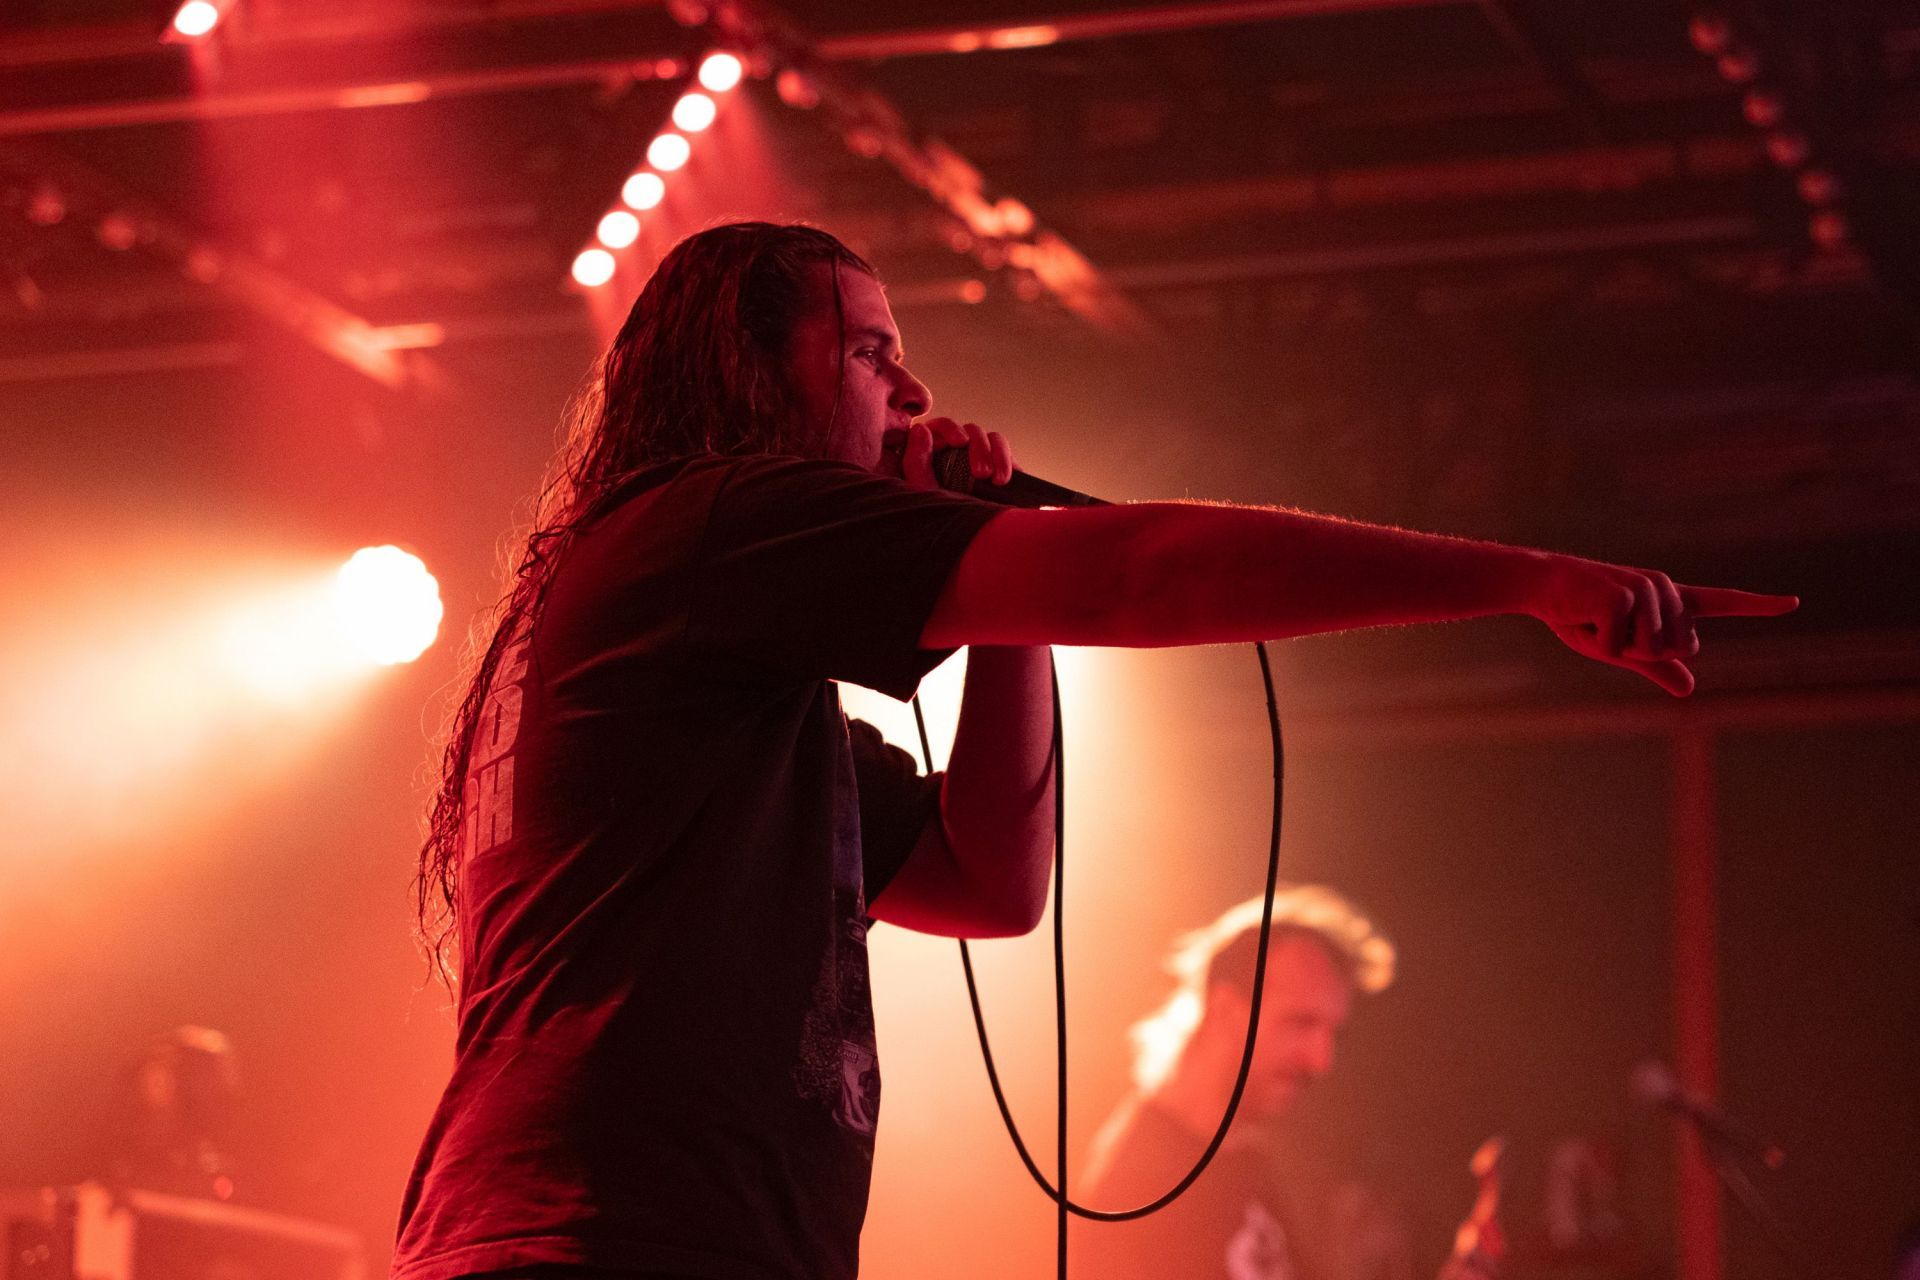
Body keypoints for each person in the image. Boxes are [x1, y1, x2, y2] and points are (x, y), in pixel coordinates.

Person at [392, 221, 1795, 1280]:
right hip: (611, 1242)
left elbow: (990, 882)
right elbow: (1140, 574)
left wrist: (1008, 569)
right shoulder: (710, 521)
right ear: (746, 367)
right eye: (868, 350)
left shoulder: (705, 647)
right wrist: (1522, 578)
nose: (909, 388)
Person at [1074, 889, 1495, 1280]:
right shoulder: (1137, 1187)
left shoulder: (1244, 1163)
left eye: (1332, 1032)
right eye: (1300, 1023)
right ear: (1225, 1011)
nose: (1321, 1061)